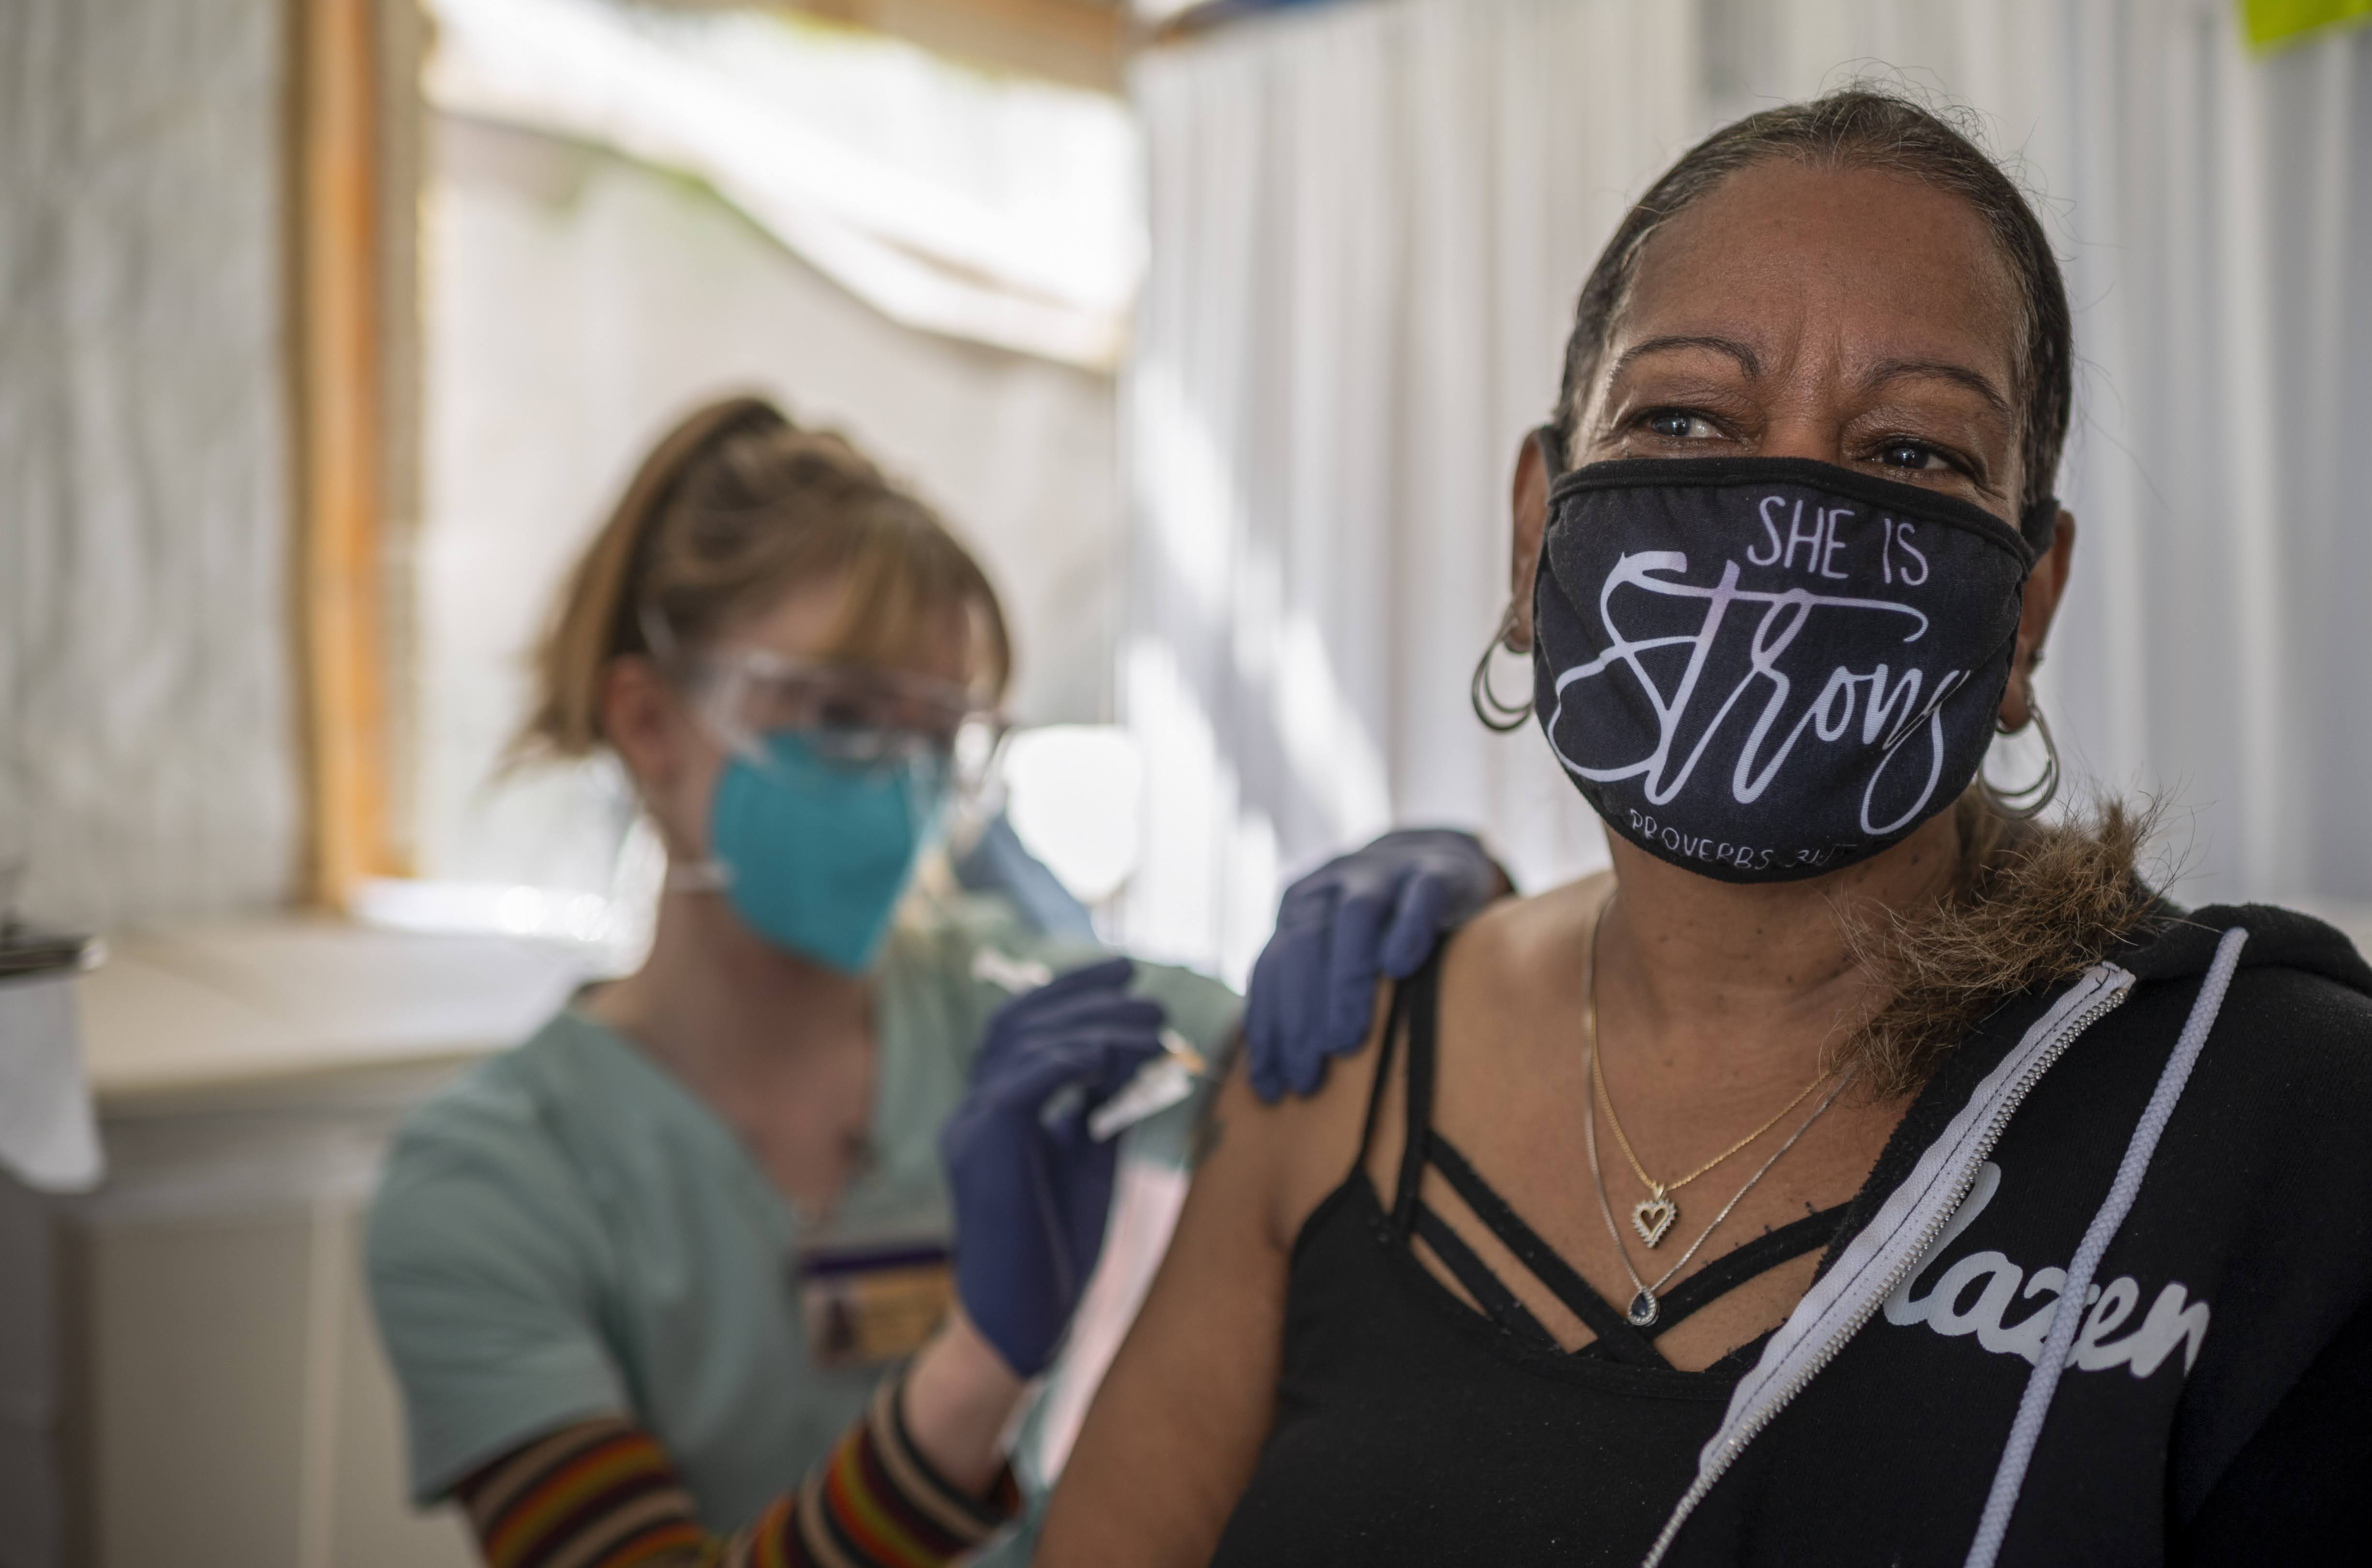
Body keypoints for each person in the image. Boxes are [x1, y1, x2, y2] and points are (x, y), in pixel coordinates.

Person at [1037, 89, 2372, 1566]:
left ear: (2026, 609)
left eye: (1915, 452)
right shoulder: (1342, 1059)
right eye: (1681, 416)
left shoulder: (2273, 1116)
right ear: (1537, 525)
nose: (1791, 503)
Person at [364, 399, 1502, 1568]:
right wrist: (980, 1362)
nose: (900, 786)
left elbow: (1328, 1061)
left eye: (937, 732)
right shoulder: (487, 1183)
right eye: (841, 715)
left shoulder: (1013, 1007)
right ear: (651, 721)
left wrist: (1461, 920)